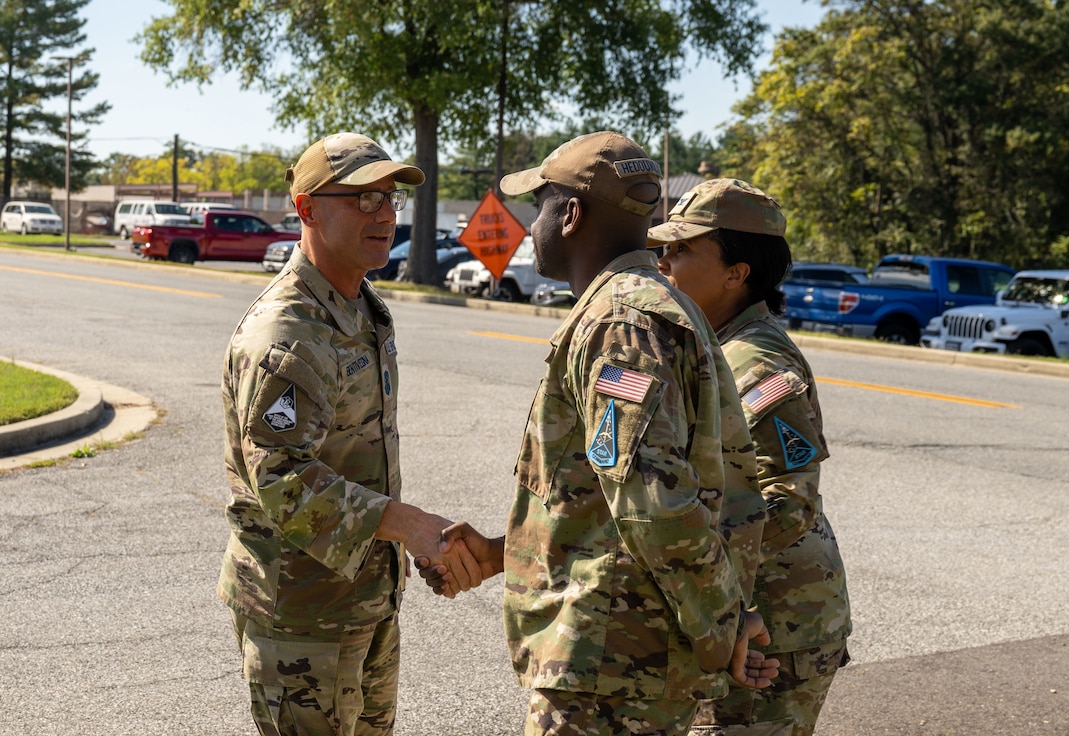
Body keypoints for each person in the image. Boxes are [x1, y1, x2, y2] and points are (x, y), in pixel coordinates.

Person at [416, 131, 778, 736]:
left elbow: (654, 505)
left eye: (541, 209)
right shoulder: (661, 306)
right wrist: (510, 554)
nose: (535, 227)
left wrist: (724, 625)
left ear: (572, 215)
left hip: (606, 671)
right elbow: (639, 501)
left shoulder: (621, 322)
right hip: (627, 662)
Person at [218, 132, 482, 736]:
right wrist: (410, 525)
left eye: (390, 199)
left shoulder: (361, 306)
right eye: (362, 199)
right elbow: (281, 481)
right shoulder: (287, 336)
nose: (385, 214)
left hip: (364, 598)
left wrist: (397, 543)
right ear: (306, 208)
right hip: (303, 616)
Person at [647, 178, 852, 736]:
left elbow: (786, 503)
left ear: (737, 273)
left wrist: (693, 573)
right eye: (664, 248)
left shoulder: (756, 360)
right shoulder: (713, 345)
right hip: (739, 615)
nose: (664, 263)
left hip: (776, 627)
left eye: (683, 250)